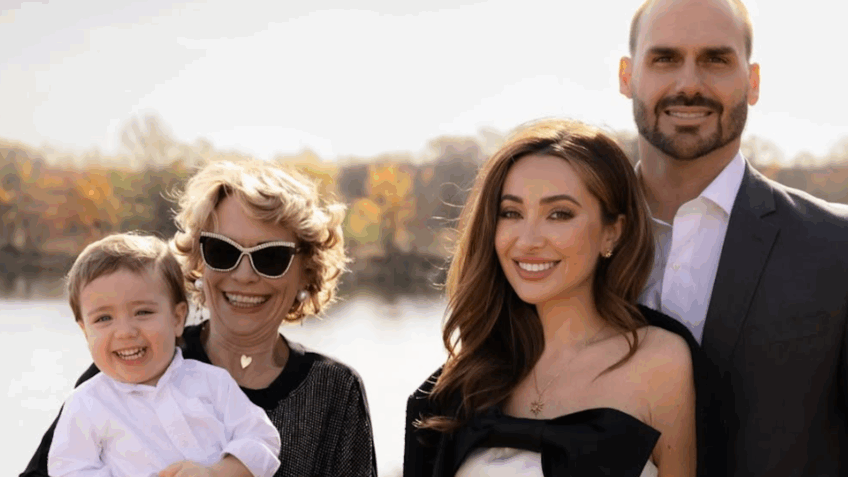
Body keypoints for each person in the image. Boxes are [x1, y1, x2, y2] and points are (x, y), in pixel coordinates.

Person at [22, 158, 377, 477]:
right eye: (222, 251)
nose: (244, 275)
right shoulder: (130, 364)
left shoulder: (334, 389)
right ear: (199, 262)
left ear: (306, 270)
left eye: (271, 257)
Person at [404, 119, 718, 477]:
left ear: (612, 233)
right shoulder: (457, 386)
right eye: (511, 213)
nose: (528, 240)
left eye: (559, 214)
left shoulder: (662, 362)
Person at [619, 0, 848, 475]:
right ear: (627, 77)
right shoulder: (558, 242)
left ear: (753, 82)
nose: (688, 84)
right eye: (664, 58)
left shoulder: (839, 248)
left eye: (716, 59)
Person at [48, 233, 281, 477]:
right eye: (103, 318)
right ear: (85, 331)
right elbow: (69, 471)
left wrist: (216, 473)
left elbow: (262, 438)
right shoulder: (86, 404)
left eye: (143, 312)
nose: (125, 332)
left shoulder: (213, 383)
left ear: (177, 318)